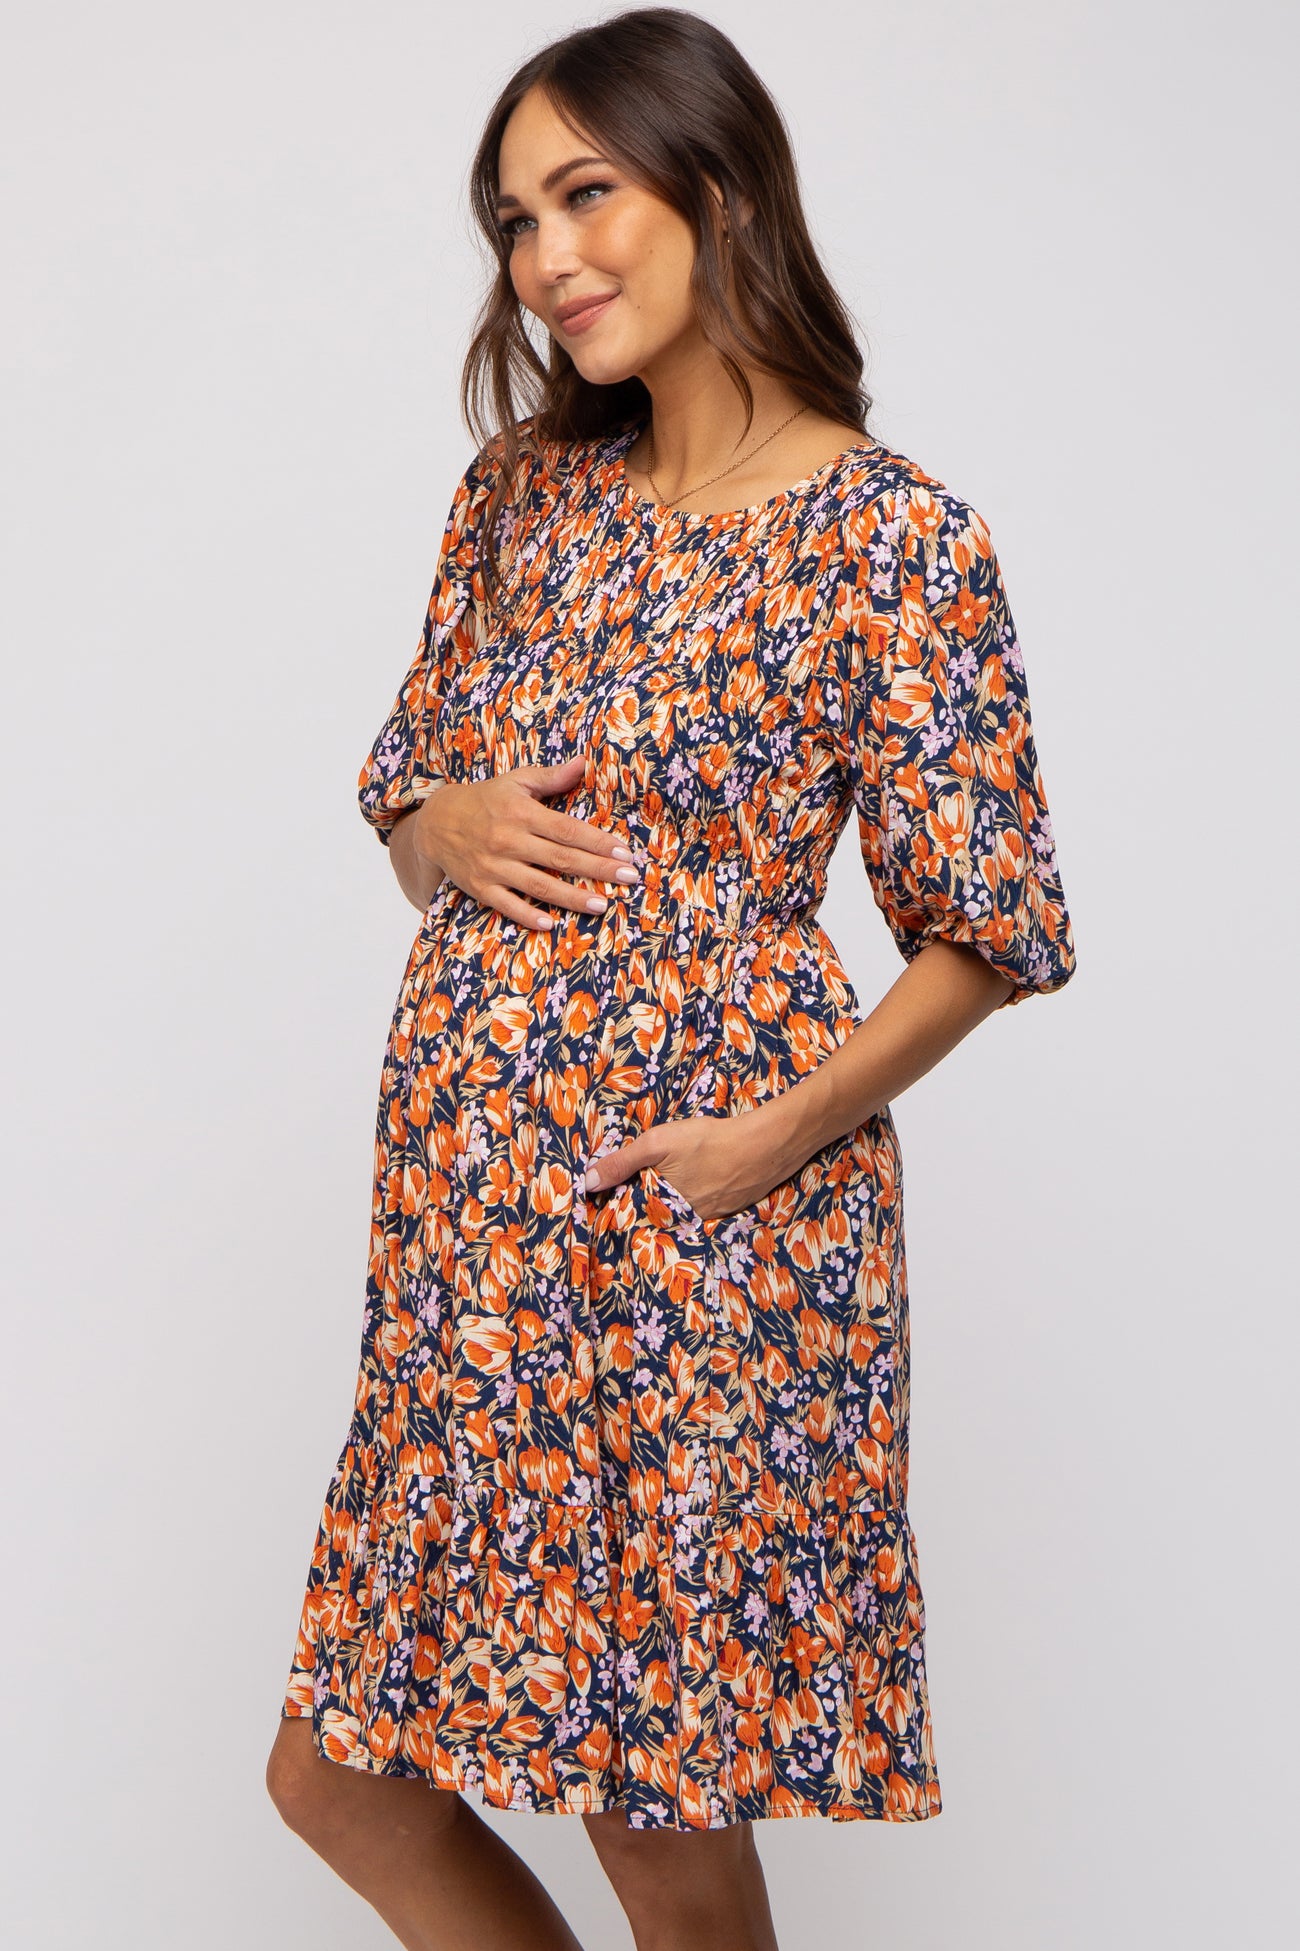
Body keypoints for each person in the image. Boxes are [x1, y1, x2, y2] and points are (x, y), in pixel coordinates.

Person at [264, 10, 1078, 1949]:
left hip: (706, 1225)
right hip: (471, 1245)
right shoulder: (520, 499)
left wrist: (768, 1138)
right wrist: (445, 820)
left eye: (584, 194)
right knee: (339, 1773)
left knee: (656, 1814)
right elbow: (409, 807)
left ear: (718, 190)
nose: (544, 257)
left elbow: (986, 925)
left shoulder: (893, 537)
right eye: (512, 219)